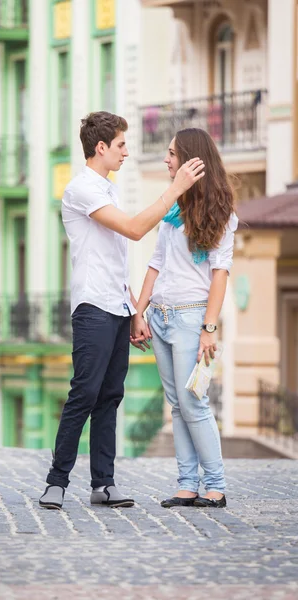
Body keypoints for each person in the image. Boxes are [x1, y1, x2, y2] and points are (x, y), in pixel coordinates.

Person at [39, 112, 205, 510]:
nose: (127, 152)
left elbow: (115, 260)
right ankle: (56, 482)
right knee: (85, 393)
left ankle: (104, 484)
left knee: (111, 396)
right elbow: (133, 230)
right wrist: (175, 189)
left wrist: (134, 311)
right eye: (121, 145)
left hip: (115, 304)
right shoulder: (82, 189)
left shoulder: (108, 190)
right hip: (93, 306)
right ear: (101, 148)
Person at [132, 127, 237, 509]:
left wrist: (210, 328)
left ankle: (216, 486)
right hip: (159, 316)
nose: (166, 159)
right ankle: (187, 484)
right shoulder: (172, 211)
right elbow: (155, 263)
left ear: (192, 160)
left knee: (194, 401)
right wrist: (138, 313)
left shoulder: (222, 213)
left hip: (191, 318)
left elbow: (219, 275)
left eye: (172, 153)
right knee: (176, 404)